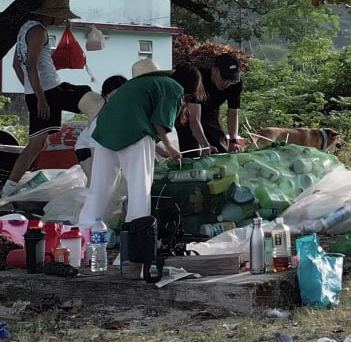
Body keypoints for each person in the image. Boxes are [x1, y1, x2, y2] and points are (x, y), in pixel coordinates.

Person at [77, 59, 189, 234]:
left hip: (104, 131)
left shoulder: (133, 87)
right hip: (135, 133)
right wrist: (170, 148)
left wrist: (162, 148)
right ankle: (137, 233)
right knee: (139, 186)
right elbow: (160, 122)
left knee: (100, 186)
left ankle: (84, 230)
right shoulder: (172, 86)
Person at [2, 0, 93, 196]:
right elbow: (31, 67)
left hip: (40, 91)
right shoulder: (39, 32)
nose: (63, 21)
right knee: (89, 97)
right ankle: (7, 190)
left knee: (37, 144)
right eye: (61, 16)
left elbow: (17, 65)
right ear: (50, 16)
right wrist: (40, 98)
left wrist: (30, 91)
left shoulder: (24, 29)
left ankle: (8, 188)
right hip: (49, 91)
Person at [177, 53, 243, 156]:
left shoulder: (235, 84)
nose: (227, 83)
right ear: (214, 70)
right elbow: (194, 119)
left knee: (220, 150)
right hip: (187, 112)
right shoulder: (199, 78)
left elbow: (233, 113)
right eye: (224, 79)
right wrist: (204, 144)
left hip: (211, 112)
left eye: (232, 80)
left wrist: (234, 140)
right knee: (192, 153)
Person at [74, 74, 129, 181]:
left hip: (110, 146)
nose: (118, 100)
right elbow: (93, 146)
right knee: (95, 180)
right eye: (113, 96)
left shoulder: (129, 111)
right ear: (105, 97)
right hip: (87, 148)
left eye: (123, 95)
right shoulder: (100, 119)